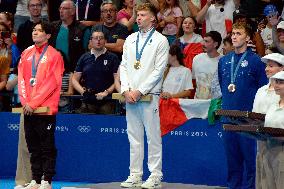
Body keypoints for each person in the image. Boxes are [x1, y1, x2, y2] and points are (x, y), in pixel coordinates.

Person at [120, 3, 169, 188]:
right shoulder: (130, 39)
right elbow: (123, 66)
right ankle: (135, 175)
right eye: (137, 15)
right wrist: (125, 90)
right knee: (134, 137)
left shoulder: (160, 41)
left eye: (142, 15)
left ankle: (155, 175)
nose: (138, 18)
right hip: (131, 95)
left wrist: (140, 91)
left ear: (153, 18)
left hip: (149, 95)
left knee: (153, 136)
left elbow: (159, 70)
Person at [218, 22, 267, 189]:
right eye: (233, 33)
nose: (234, 36)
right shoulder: (223, 61)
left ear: (247, 38)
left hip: (248, 121)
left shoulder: (256, 62)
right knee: (232, 162)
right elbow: (223, 85)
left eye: (238, 34)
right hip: (227, 117)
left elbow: (263, 91)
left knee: (251, 162)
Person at [18, 21, 64, 189]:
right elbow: (22, 79)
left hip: (45, 109)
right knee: (32, 145)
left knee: (46, 146)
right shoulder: (26, 53)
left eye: (39, 30)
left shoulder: (54, 55)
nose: (35, 33)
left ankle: (47, 179)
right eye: (34, 30)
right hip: (29, 108)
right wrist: (25, 102)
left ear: (48, 35)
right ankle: (36, 179)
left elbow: (52, 83)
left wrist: (34, 102)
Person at [252, 53, 284, 189]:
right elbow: (254, 117)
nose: (266, 69)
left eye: (271, 66)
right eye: (266, 66)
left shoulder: (280, 94)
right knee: (263, 182)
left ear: (282, 69)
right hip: (262, 146)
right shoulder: (260, 91)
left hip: (279, 147)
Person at [72, 30, 119, 114]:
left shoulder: (113, 58)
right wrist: (83, 92)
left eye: (101, 38)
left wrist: (106, 92)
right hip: (88, 100)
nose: (98, 40)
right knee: (85, 124)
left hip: (107, 100)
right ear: (90, 41)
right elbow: (74, 79)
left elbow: (117, 80)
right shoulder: (84, 57)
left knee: (106, 124)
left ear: (105, 41)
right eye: (95, 38)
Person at [261, 70, 284, 189]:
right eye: (276, 82)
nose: (276, 85)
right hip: (268, 150)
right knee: (267, 185)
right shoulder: (273, 106)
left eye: (280, 82)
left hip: (282, 153)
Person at [192, 30, 222, 99]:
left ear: (215, 44)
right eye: (203, 41)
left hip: (214, 104)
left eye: (207, 41)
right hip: (198, 102)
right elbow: (194, 80)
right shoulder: (197, 58)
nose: (203, 44)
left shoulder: (223, 61)